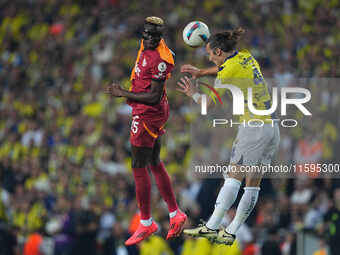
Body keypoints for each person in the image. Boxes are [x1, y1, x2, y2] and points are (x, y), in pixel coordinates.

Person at [177, 28, 280, 245]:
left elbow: (210, 105)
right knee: (252, 186)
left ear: (218, 51)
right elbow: (224, 67)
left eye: (210, 54)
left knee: (233, 179)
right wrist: (202, 72)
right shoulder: (246, 56)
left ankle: (211, 226)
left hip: (252, 128)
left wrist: (192, 93)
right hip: (271, 128)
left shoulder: (225, 74)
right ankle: (230, 231)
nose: (209, 58)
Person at [105, 16, 187, 246]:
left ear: (161, 37)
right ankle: (174, 213)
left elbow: (152, 97)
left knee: (138, 165)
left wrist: (124, 93)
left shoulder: (162, 59)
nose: (149, 39)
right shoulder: (147, 43)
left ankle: (146, 221)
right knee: (153, 161)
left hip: (148, 112)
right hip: (149, 111)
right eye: (147, 34)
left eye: (155, 36)